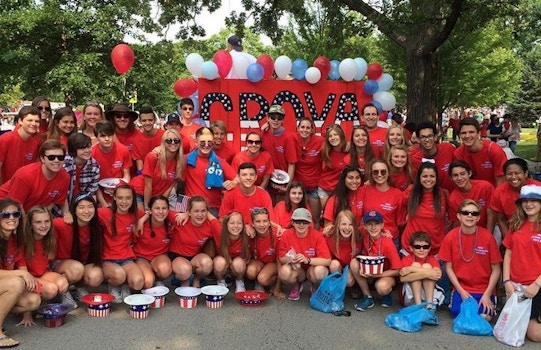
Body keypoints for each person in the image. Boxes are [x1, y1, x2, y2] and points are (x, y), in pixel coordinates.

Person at [439, 199, 501, 320]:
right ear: (459, 216)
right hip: (462, 288)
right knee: (459, 314)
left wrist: (487, 294)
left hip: (484, 289)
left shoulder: (487, 237)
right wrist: (461, 291)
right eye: (465, 212)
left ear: (478, 218)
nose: (470, 216)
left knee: (484, 316)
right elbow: (448, 268)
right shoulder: (451, 236)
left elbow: (496, 269)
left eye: (474, 213)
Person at [16, 206, 69, 326]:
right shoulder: (23, 241)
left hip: (42, 273)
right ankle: (29, 307)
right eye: (38, 222)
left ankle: (41, 304)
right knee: (51, 289)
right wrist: (27, 314)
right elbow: (24, 277)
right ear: (30, 224)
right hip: (27, 277)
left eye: (47, 221)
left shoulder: (49, 237)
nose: (43, 225)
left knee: (63, 283)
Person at [503, 185, 541, 342]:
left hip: (537, 286)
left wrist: (537, 285)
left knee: (535, 336)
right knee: (513, 330)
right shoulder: (516, 224)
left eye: (534, 200)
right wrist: (506, 282)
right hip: (516, 286)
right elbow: (508, 254)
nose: (529, 204)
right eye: (525, 201)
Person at [0, 199, 40, 344]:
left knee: (33, 301)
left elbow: (25, 272)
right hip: (5, 284)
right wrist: (21, 274)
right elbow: (22, 274)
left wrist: (27, 315)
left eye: (15, 214)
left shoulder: (15, 240)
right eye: (5, 215)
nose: (11, 218)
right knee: (16, 283)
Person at [52, 193, 103, 305]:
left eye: (90, 206)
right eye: (81, 207)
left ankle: (78, 288)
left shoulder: (95, 226)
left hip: (81, 263)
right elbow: (42, 226)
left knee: (96, 276)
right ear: (74, 210)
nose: (86, 211)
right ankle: (63, 292)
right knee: (76, 269)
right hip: (59, 263)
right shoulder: (62, 224)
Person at [97, 183, 144, 302]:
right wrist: (69, 214)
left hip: (126, 258)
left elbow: (150, 213)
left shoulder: (134, 214)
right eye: (120, 198)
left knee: (138, 282)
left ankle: (124, 285)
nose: (124, 202)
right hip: (107, 258)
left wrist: (142, 220)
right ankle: (113, 284)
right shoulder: (104, 212)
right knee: (119, 275)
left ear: (133, 199)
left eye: (128, 198)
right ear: (114, 198)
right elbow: (87, 213)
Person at [0, 139, 70, 214]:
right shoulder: (25, 175)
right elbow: (16, 206)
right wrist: (28, 224)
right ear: (42, 159)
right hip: (6, 207)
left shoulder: (65, 177)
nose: (56, 160)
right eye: (51, 157)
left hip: (32, 212)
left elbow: (53, 202)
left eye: (60, 157)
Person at [351, 210, 402, 311]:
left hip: (386, 274)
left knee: (382, 287)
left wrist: (376, 275)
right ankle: (368, 297)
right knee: (353, 263)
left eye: (376, 224)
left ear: (382, 225)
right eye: (369, 224)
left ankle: (387, 294)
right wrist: (331, 228)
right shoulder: (364, 235)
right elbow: (349, 228)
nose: (373, 227)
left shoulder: (387, 242)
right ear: (364, 226)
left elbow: (398, 270)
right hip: (370, 270)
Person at [184, 127, 238, 217]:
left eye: (209, 142)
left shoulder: (219, 161)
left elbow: (238, 179)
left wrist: (233, 182)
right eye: (202, 142)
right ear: (196, 142)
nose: (206, 145)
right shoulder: (186, 160)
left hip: (213, 209)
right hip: (192, 208)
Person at [278, 208, 331, 300]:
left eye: (305, 222)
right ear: (293, 222)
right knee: (284, 272)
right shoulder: (286, 235)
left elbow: (327, 260)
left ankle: (314, 287)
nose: (301, 225)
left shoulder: (317, 235)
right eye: (298, 221)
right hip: (297, 269)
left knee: (320, 272)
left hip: (312, 268)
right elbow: (281, 257)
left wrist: (308, 260)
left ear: (309, 223)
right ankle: (295, 287)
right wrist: (290, 259)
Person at [168, 196, 218, 287]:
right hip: (177, 256)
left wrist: (209, 215)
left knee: (207, 264)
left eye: (203, 211)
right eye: (196, 211)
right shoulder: (180, 219)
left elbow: (220, 230)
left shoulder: (209, 225)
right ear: (189, 212)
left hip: (195, 257)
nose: (200, 215)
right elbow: (162, 212)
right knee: (184, 271)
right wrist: (184, 213)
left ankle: (196, 279)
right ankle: (183, 282)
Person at [131, 129, 185, 211]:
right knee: (143, 217)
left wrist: (161, 203)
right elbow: (148, 185)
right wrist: (147, 207)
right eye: (169, 140)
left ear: (180, 143)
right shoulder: (153, 157)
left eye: (176, 140)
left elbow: (170, 187)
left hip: (157, 196)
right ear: (164, 142)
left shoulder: (180, 161)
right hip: (139, 192)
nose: (173, 143)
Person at [401, 162, 448, 256]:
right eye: (425, 176)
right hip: (411, 248)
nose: (428, 179)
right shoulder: (411, 191)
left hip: (436, 249)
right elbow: (399, 208)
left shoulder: (443, 194)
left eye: (432, 176)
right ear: (419, 177)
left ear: (436, 178)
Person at [489, 158, 541, 239]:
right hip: (513, 232)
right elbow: (501, 220)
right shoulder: (499, 192)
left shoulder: (538, 188)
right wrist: (509, 242)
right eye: (509, 174)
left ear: (526, 173)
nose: (513, 177)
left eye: (517, 173)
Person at [360, 159, 405, 246]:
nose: (379, 175)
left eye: (383, 172)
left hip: (390, 239)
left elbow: (400, 222)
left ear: (388, 173)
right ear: (371, 174)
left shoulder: (397, 194)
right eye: (376, 172)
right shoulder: (364, 190)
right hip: (367, 239)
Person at [132, 195, 172, 289]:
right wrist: (143, 219)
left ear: (168, 210)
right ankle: (149, 278)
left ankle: (158, 279)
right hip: (142, 257)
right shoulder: (141, 223)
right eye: (157, 208)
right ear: (150, 210)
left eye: (164, 208)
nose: (161, 212)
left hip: (160, 256)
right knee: (148, 282)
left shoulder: (171, 223)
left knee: (164, 270)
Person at [454, 117, 507, 186]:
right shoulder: (459, 153)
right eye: (463, 133)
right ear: (460, 135)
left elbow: (501, 181)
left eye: (471, 132)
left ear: (478, 133)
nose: (467, 136)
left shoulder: (493, 150)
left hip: (494, 192)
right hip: (474, 193)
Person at [261, 105, 297, 203]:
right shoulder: (263, 133)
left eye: (279, 118)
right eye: (273, 117)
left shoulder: (288, 137)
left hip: (282, 183)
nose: (276, 120)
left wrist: (288, 185)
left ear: (283, 120)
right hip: (267, 181)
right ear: (267, 118)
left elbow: (291, 163)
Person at [219, 162, 274, 227]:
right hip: (236, 231)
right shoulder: (230, 194)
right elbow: (222, 219)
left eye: (251, 175)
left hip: (258, 230)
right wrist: (244, 228)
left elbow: (270, 220)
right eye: (244, 175)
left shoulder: (263, 194)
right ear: (238, 177)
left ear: (256, 177)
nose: (248, 178)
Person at [90, 121, 131, 207]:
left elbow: (126, 175)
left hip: (119, 190)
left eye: (109, 135)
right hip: (99, 192)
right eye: (102, 136)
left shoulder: (123, 150)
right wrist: (103, 203)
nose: (107, 139)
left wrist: (120, 189)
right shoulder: (92, 153)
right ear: (96, 137)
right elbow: (92, 182)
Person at [293, 117, 324, 227]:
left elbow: (334, 147)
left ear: (312, 130)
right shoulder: (292, 138)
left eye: (308, 128)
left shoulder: (320, 141)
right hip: (298, 187)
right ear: (297, 128)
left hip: (313, 186)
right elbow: (277, 135)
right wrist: (265, 128)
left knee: (314, 218)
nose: (305, 130)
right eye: (302, 127)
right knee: (295, 218)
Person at [0, 106, 42, 185]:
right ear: (20, 121)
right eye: (30, 120)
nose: (33, 124)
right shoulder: (5, 139)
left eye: (37, 121)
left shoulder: (34, 144)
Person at [246, 207, 283, 297]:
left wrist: (278, 288)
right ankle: (257, 282)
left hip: (273, 263)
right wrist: (246, 227)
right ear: (253, 224)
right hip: (258, 261)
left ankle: (271, 282)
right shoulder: (250, 234)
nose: (262, 225)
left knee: (263, 279)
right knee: (250, 272)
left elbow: (280, 262)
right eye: (258, 221)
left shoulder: (276, 235)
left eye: (265, 221)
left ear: (269, 222)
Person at [399, 232, 442, 307]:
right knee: (417, 265)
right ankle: (418, 306)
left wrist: (411, 269)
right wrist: (426, 274)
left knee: (426, 266)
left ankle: (429, 305)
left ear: (429, 249)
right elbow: (402, 278)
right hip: (410, 296)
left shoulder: (432, 260)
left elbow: (437, 275)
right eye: (417, 247)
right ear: (411, 248)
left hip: (429, 295)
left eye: (425, 247)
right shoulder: (407, 259)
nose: (421, 250)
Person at [410, 121, 455, 192]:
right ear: (418, 140)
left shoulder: (448, 148)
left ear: (435, 137)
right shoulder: (415, 160)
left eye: (430, 136)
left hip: (453, 195)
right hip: (434, 198)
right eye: (423, 137)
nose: (427, 140)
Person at [448, 160, 494, 229]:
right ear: (451, 178)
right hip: (468, 230)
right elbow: (457, 222)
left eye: (462, 174)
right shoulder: (453, 199)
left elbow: (491, 213)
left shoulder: (485, 187)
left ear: (469, 173)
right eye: (455, 175)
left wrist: (488, 234)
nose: (459, 178)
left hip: (490, 227)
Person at [213, 211, 251, 292]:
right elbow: (209, 216)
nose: (236, 226)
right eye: (232, 223)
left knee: (238, 263)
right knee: (219, 262)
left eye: (239, 223)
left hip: (238, 266)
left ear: (243, 225)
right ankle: (221, 281)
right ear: (226, 224)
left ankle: (239, 281)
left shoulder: (247, 234)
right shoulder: (219, 231)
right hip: (223, 262)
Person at [325, 210, 361, 290]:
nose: (347, 228)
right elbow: (315, 237)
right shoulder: (329, 236)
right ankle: (336, 287)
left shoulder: (359, 235)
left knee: (348, 281)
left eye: (350, 224)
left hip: (352, 268)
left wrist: (383, 232)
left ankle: (355, 286)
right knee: (334, 264)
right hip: (337, 267)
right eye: (343, 224)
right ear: (337, 225)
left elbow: (372, 230)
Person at [63, 133, 100, 203]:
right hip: (63, 204)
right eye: (82, 148)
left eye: (89, 147)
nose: (87, 151)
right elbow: (61, 193)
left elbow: (92, 192)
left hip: (83, 203)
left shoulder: (94, 166)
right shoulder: (65, 165)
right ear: (74, 149)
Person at [318, 124, 348, 212]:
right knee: (327, 214)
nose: (333, 138)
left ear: (341, 135)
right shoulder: (325, 151)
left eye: (335, 135)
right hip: (325, 189)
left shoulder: (349, 150)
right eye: (330, 136)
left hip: (341, 190)